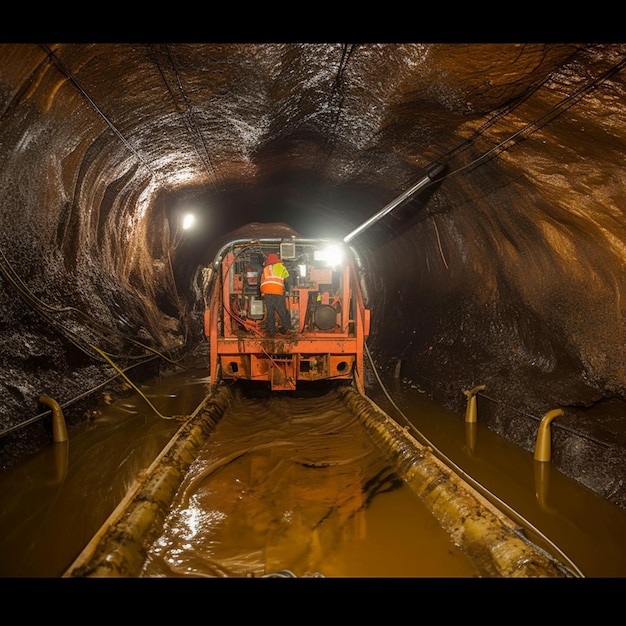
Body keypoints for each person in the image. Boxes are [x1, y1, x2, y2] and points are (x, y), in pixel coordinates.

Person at [260, 252, 291, 335]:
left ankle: (271, 332)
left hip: (267, 293)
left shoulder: (265, 269)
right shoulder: (281, 267)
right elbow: (287, 281)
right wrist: (288, 290)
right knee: (282, 311)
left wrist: (261, 293)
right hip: (277, 292)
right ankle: (286, 328)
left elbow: (261, 281)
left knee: (270, 313)